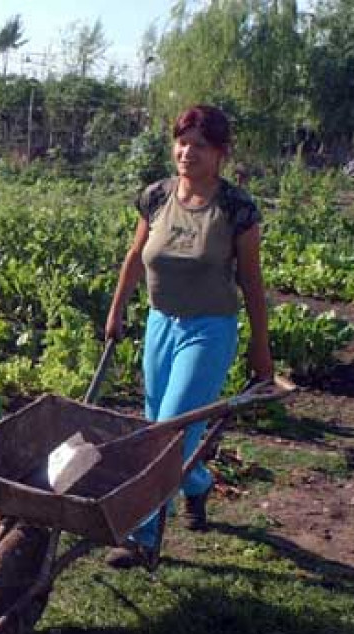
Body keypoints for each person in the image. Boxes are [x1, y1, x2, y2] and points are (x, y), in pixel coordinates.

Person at [102, 104, 273, 569]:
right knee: (158, 425)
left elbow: (252, 281)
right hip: (160, 324)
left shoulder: (237, 209)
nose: (186, 152)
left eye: (199, 145)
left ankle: (142, 536)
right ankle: (198, 483)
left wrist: (260, 347)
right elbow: (136, 257)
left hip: (208, 331)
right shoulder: (157, 196)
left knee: (168, 430)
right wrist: (116, 312)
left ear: (220, 153)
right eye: (181, 142)